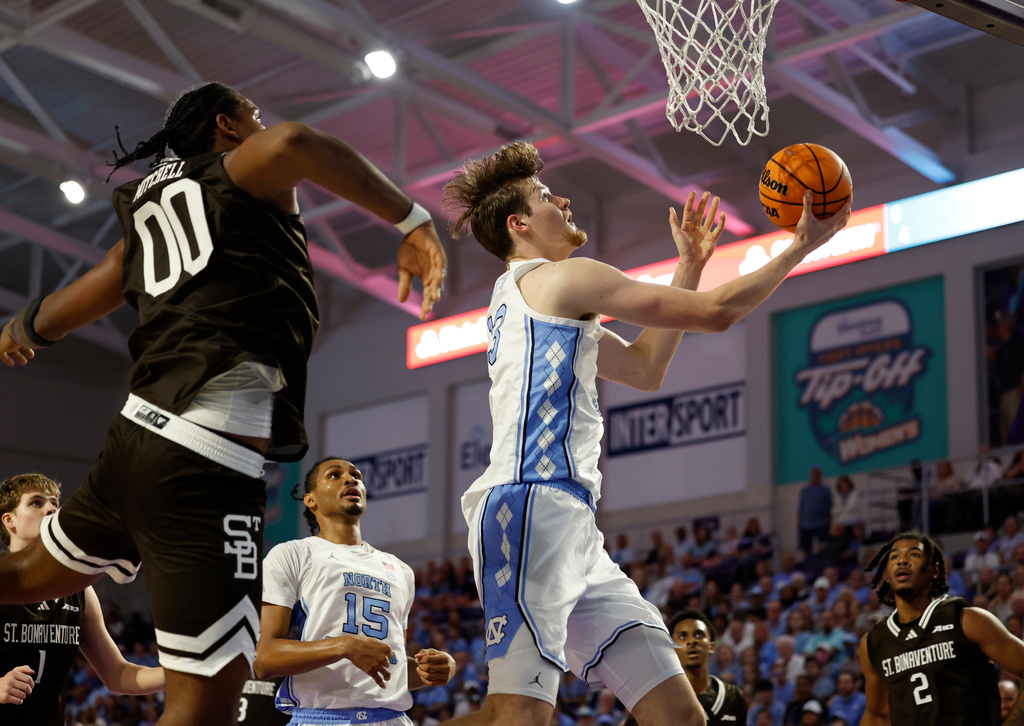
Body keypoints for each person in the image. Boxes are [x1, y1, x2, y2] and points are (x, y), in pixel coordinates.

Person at [0, 81, 447, 726]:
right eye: (252, 116)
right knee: (209, 704)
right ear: (226, 126)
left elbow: (85, 293)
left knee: (22, 579)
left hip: (135, 440)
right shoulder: (237, 174)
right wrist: (411, 220)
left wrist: (24, 327)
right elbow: (296, 141)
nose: (262, 125)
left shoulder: (149, 215)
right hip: (204, 459)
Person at [440, 140, 850, 726]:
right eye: (545, 196)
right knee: (519, 718)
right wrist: (800, 247)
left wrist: (690, 266)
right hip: (526, 507)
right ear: (520, 223)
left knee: (681, 717)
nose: (564, 199)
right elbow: (715, 314)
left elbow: (643, 368)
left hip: (573, 523)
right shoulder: (561, 279)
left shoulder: (527, 298)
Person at [253, 457, 455, 726]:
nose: (350, 479)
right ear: (310, 500)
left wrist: (432, 670)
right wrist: (343, 645)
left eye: (356, 475)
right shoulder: (292, 555)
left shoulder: (400, 570)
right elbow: (265, 659)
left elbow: (390, 668)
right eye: (334, 475)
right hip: (321, 718)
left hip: (392, 719)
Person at [0, 473, 164, 724]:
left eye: (54, 503)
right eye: (36, 503)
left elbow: (118, 675)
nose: (51, 509)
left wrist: (183, 674)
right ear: (9, 520)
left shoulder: (80, 589)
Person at [859, 532, 1024, 725]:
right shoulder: (874, 642)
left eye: (913, 555)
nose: (902, 561)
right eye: (894, 557)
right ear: (886, 575)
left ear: (934, 570)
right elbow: (877, 715)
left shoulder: (967, 619)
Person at [798, 468, 832, 557]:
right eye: (814, 473)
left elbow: (830, 505)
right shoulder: (804, 491)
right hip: (806, 523)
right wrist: (799, 520)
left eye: (817, 473)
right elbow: (801, 506)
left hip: (822, 522)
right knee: (806, 547)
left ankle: (823, 560)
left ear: (821, 475)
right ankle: (808, 562)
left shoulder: (825, 490)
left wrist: (829, 519)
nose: (815, 476)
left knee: (823, 544)